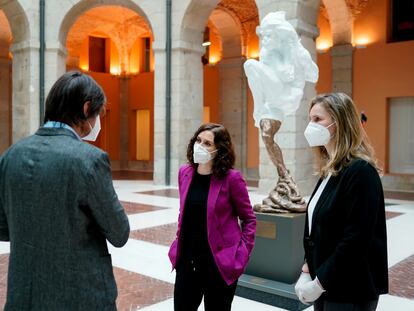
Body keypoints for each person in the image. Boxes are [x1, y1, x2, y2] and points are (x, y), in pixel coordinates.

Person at [0, 71, 130, 310]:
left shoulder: (10, 156)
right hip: (81, 296)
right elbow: (119, 233)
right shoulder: (90, 160)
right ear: (86, 107)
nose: (98, 121)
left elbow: (3, 229)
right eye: (98, 113)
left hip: (25, 295)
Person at [295, 93, 388, 310]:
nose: (311, 125)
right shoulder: (331, 169)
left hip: (350, 288)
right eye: (310, 119)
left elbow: (356, 239)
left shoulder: (361, 171)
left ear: (339, 122)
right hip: (326, 284)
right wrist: (308, 270)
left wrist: (320, 282)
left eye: (318, 119)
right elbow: (319, 229)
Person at [168, 123, 256, 311]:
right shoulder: (185, 172)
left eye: (207, 143)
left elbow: (249, 219)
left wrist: (242, 255)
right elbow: (184, 212)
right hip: (187, 262)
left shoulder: (232, 179)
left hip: (219, 265)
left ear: (219, 150)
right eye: (198, 140)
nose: (200, 146)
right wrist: (178, 241)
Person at [244, 11, 318, 212]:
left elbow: (314, 75)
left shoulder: (294, 50)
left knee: (249, 64)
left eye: (269, 35)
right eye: (263, 35)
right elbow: (263, 79)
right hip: (272, 101)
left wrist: (301, 60)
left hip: (287, 96)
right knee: (267, 135)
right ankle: (284, 174)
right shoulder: (268, 51)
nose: (265, 39)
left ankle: (257, 109)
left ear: (280, 34)